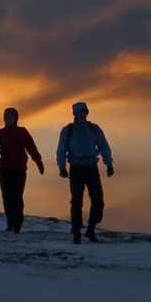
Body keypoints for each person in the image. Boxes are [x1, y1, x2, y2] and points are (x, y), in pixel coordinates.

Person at [56, 102, 114, 244]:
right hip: (76, 168)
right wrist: (62, 167)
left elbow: (103, 146)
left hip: (91, 167)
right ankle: (76, 233)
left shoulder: (93, 129)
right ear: (75, 114)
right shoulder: (67, 130)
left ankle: (91, 228)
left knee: (98, 200)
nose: (83, 114)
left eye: (84, 112)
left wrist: (109, 163)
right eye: (80, 112)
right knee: (76, 202)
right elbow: (61, 149)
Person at [0, 107, 44, 233]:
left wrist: (38, 162)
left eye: (12, 117)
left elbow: (32, 148)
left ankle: (18, 223)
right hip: (4, 170)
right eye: (8, 117)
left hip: (19, 170)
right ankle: (10, 222)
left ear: (16, 119)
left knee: (17, 197)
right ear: (5, 119)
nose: (10, 119)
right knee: (7, 197)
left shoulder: (22, 132)